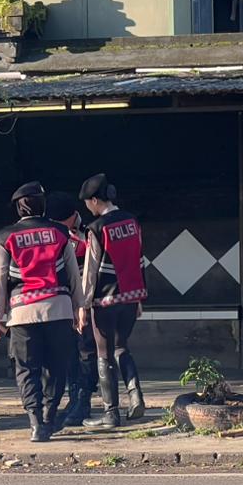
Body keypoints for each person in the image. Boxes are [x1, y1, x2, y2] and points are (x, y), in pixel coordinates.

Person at [0, 181, 88, 442]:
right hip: (59, 310)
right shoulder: (61, 233)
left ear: (18, 209)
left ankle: (35, 423)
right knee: (57, 367)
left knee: (27, 368)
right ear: (42, 205)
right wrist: (80, 308)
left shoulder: (5, 237)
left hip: (22, 314)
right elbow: (74, 276)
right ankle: (49, 416)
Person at [79, 174, 148, 430]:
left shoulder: (96, 229)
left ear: (95, 200)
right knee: (122, 347)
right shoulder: (133, 221)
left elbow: (90, 270)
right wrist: (139, 297)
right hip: (131, 297)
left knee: (103, 353)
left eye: (88, 202)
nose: (87, 207)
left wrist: (83, 306)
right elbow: (140, 260)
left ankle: (110, 414)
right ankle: (135, 395)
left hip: (105, 300)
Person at [47, 191, 98, 428]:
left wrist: (84, 304)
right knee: (68, 352)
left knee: (86, 349)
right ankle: (74, 396)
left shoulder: (89, 232)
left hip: (87, 299)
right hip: (61, 300)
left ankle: (84, 399)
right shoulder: (52, 232)